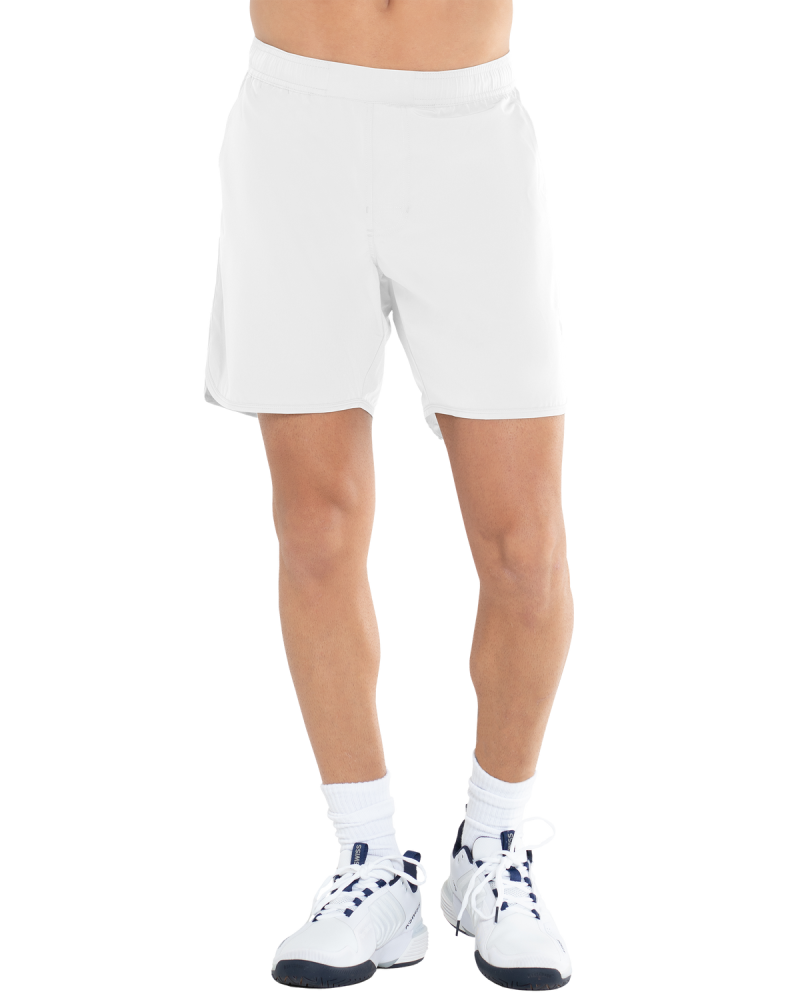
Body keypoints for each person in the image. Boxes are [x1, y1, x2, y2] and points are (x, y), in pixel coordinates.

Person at [205, 0, 573, 990]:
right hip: (295, 125)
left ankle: (492, 846)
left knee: (524, 548)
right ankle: (369, 859)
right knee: (314, 528)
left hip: (466, 129)